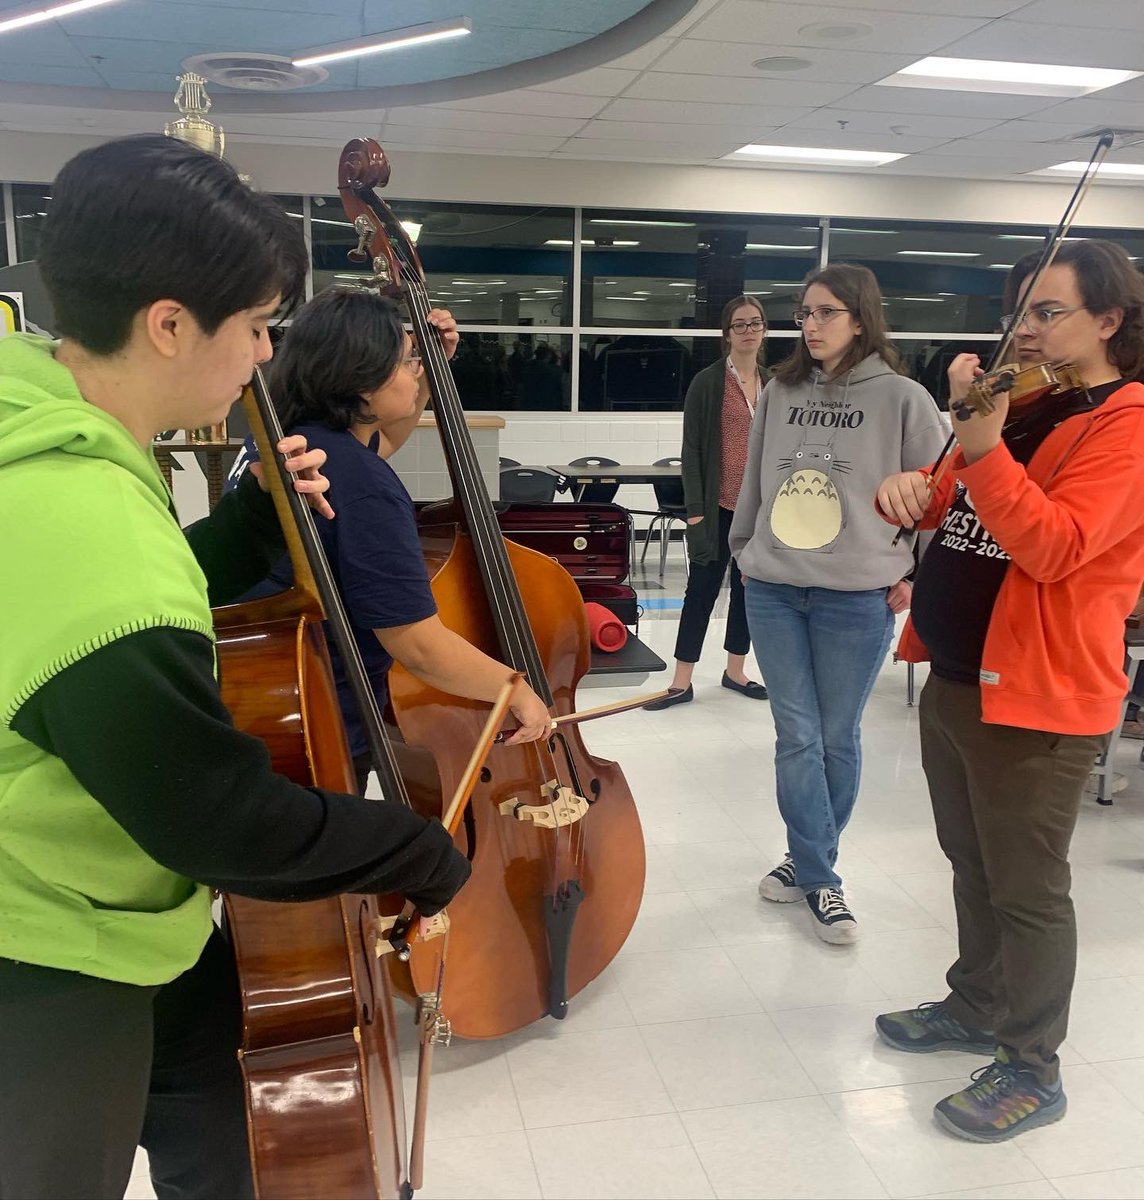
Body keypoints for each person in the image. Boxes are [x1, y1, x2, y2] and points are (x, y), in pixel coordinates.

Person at [0, 135, 471, 1200]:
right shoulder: (78, 517)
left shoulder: (44, 423)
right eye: (256, 328)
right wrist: (407, 847)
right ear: (168, 324)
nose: (266, 358)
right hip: (46, 943)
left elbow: (134, 611)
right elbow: (217, 819)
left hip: (130, 916)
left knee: (221, 1125)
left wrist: (258, 517)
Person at [873, 239, 1144, 1143]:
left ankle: (1033, 1065)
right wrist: (910, 487)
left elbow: (1056, 544)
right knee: (971, 863)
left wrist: (981, 448)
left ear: (1108, 321)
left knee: (1028, 888)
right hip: (955, 677)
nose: (1024, 330)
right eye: (1021, 311)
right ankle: (976, 1003)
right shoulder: (1022, 404)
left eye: (1047, 312)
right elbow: (954, 496)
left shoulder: (1126, 422)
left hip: (1039, 695)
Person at [237, 285, 552, 796]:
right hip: (326, 719)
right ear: (363, 383)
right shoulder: (365, 487)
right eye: (406, 362)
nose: (414, 371)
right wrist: (514, 690)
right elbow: (418, 645)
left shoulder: (289, 441)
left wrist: (428, 379)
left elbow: (381, 440)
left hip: (264, 704)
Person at [729, 264, 947, 944]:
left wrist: (917, 572)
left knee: (834, 736)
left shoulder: (905, 400)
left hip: (857, 595)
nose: (811, 325)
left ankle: (805, 860)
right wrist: (744, 551)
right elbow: (755, 481)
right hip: (773, 587)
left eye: (826, 312)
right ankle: (822, 876)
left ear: (861, 317)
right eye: (805, 313)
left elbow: (937, 499)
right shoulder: (780, 390)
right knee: (796, 735)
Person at [644, 294, 769, 710]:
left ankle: (736, 671)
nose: (748, 330)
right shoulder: (709, 382)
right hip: (715, 507)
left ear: (764, 330)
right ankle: (682, 681)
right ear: (726, 333)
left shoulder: (774, 384)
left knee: (747, 590)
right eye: (740, 324)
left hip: (757, 511)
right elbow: (692, 448)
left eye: (755, 323)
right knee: (700, 591)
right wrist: (696, 509)